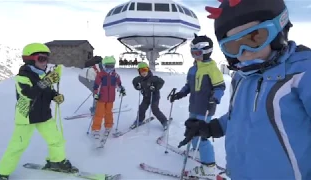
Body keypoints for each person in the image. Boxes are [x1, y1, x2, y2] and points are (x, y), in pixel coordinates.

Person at [180, 0, 311, 179]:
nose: (245, 51)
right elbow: (239, 116)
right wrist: (212, 128)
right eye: (233, 46)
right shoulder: (242, 77)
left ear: (279, 29)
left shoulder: (303, 73)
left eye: (255, 38)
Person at [0, 43, 78, 180]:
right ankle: (2, 173)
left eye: (46, 59)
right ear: (30, 59)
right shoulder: (22, 77)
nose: (45, 62)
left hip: (44, 115)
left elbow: (46, 91)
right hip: (26, 118)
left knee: (56, 140)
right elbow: (30, 93)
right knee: (17, 147)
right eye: (41, 59)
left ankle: (56, 162)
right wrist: (46, 81)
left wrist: (54, 95)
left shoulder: (42, 76)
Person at [170, 34, 225, 177]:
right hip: (194, 106)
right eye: (193, 53)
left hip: (206, 108)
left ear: (207, 52)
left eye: (198, 53)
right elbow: (189, 86)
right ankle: (198, 151)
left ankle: (209, 166)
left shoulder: (212, 68)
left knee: (201, 134)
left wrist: (215, 98)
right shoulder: (193, 69)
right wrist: (180, 94)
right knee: (191, 129)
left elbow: (220, 87)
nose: (195, 56)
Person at [91, 56, 125, 139]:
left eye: (112, 66)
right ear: (104, 65)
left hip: (110, 98)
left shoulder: (115, 75)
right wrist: (96, 94)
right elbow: (96, 86)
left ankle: (108, 125)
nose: (110, 68)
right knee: (99, 113)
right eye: (108, 66)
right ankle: (96, 128)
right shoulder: (101, 75)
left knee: (109, 112)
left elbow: (118, 84)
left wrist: (121, 89)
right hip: (101, 98)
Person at [131, 62, 169, 130]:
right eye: (141, 70)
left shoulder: (153, 78)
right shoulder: (139, 79)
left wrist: (155, 87)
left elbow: (162, 82)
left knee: (154, 109)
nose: (143, 72)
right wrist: (138, 87)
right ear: (139, 72)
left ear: (148, 70)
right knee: (141, 108)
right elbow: (134, 81)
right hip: (146, 97)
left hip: (154, 96)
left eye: (145, 69)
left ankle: (164, 121)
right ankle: (139, 120)